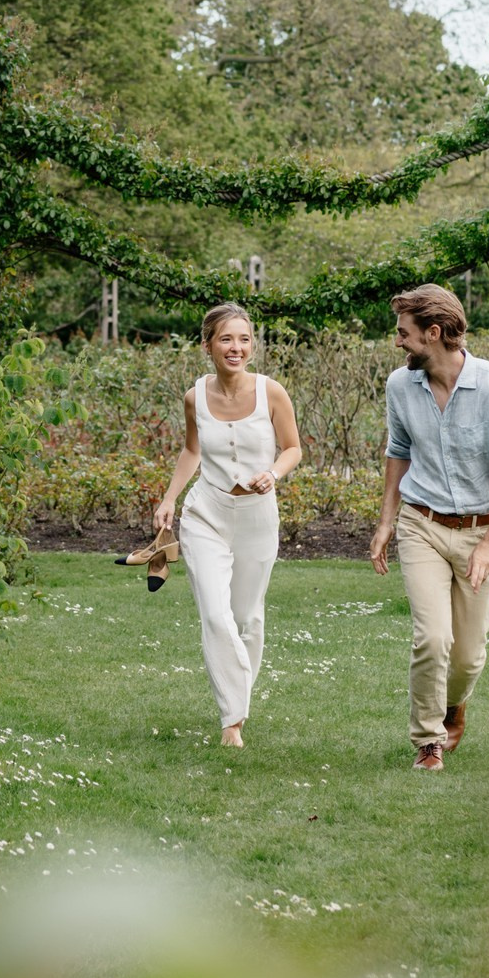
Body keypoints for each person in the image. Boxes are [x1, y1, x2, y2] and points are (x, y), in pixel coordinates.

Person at [369, 284, 489, 770]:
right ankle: (428, 741)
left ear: (434, 334)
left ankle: (453, 705)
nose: (398, 342)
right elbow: (398, 450)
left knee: (466, 657)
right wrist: (386, 522)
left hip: (481, 532)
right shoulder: (400, 386)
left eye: (404, 333)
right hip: (422, 524)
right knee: (432, 638)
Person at [152, 303, 302, 748]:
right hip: (206, 515)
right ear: (207, 346)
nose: (235, 348)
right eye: (226, 339)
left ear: (251, 346)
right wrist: (169, 498)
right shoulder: (194, 397)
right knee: (216, 615)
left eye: (243, 339)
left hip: (258, 517)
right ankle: (231, 720)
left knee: (247, 618)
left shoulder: (272, 392)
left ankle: (238, 702)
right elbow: (191, 451)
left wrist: (272, 474)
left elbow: (293, 448)